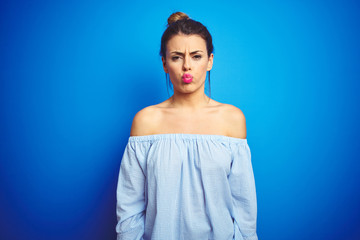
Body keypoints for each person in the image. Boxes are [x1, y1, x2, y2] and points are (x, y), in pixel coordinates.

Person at [116, 12, 258, 240]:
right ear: (164, 63)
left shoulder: (232, 119)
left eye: (196, 56)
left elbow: (244, 208)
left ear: (210, 60)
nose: (187, 66)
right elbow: (129, 208)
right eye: (176, 57)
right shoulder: (146, 121)